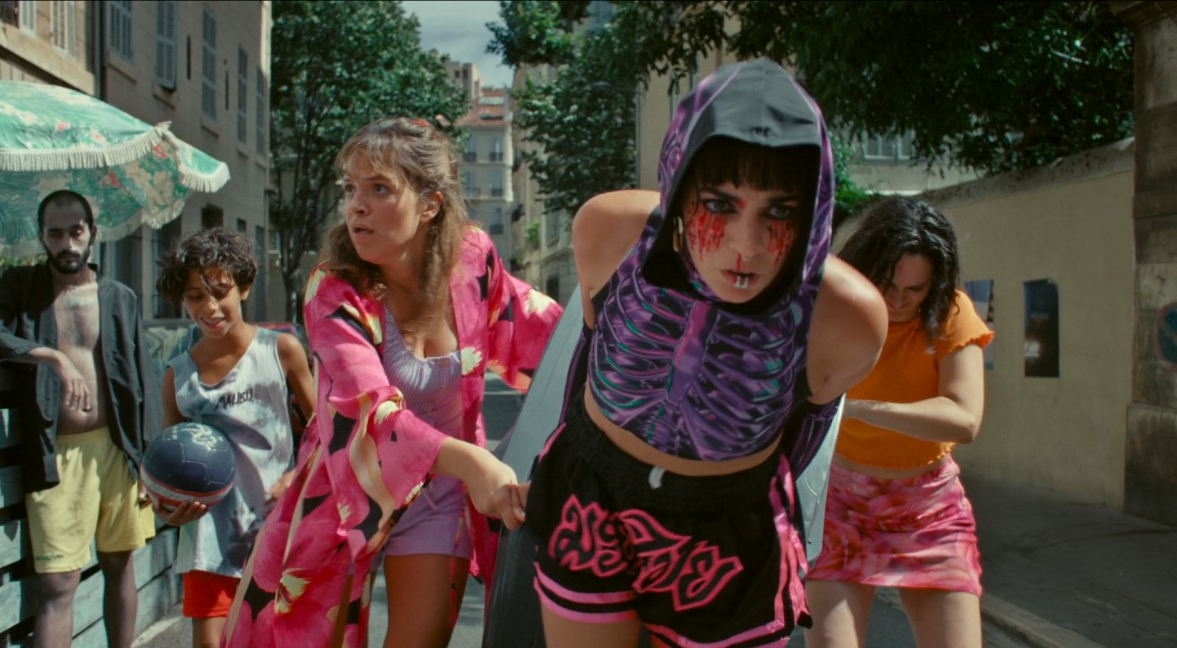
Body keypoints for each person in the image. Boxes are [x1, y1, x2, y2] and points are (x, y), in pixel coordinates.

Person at [522, 58, 888, 647]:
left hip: (729, 532)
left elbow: (805, 438)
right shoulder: (609, 233)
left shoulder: (846, 318)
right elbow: (588, 361)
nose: (748, 246)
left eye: (779, 212)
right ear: (680, 182)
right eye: (719, 204)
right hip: (591, 499)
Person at [222, 117, 562, 647]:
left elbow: (546, 333)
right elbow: (370, 414)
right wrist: (476, 463)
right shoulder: (333, 286)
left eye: (379, 188)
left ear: (430, 204)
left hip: (440, 494)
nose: (356, 206)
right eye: (351, 189)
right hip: (344, 489)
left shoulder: (473, 260)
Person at [805, 197, 993, 648]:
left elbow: (964, 419)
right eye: (888, 284)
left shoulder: (950, 312)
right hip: (840, 506)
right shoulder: (835, 307)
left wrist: (856, 408)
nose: (898, 299)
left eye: (915, 289)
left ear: (936, 283)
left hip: (929, 506)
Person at [0, 190, 157, 648]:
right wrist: (50, 356)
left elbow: (143, 378)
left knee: (120, 564)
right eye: (55, 234)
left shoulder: (119, 297)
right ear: (42, 237)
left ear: (92, 233)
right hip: (56, 455)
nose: (67, 243)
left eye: (75, 232)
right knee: (58, 583)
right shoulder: (21, 288)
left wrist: (148, 461)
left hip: (117, 450)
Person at [152, 227, 314, 648]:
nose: (209, 307)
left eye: (220, 292)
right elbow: (165, 467)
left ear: (244, 287)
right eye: (195, 296)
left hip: (277, 535)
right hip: (208, 547)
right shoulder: (177, 377)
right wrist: (166, 506)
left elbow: (325, 433)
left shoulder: (281, 351)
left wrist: (296, 475)